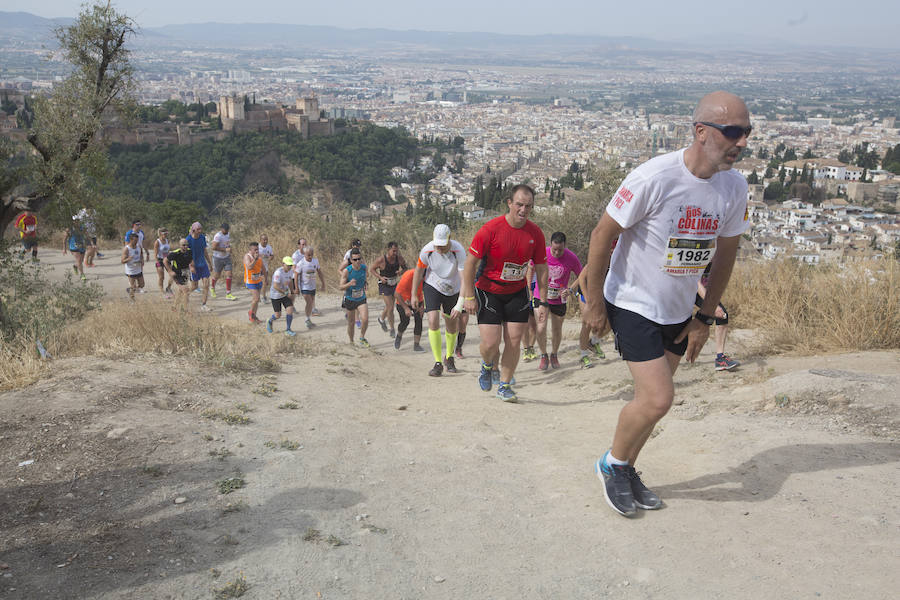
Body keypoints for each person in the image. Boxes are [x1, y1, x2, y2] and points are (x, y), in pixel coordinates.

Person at [582, 91, 751, 517]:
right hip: (632, 301)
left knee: (651, 402)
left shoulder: (734, 187)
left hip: (678, 308)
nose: (742, 142)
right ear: (701, 132)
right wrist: (595, 303)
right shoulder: (654, 177)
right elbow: (602, 235)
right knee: (659, 399)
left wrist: (705, 317)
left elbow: (726, 254)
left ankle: (626, 468)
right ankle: (611, 464)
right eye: (733, 131)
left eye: (747, 132)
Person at [461, 184, 548, 402]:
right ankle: (487, 365)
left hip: (517, 292)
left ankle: (505, 386)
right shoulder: (490, 230)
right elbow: (470, 264)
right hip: (489, 291)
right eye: (519, 204)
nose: (523, 210)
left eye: (528, 206)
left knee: (514, 341)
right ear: (509, 203)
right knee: (491, 344)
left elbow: (542, 269)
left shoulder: (535, 233)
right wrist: (469, 297)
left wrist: (542, 302)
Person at [412, 224, 467, 377]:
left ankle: (449, 357)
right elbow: (418, 271)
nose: (439, 248)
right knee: (432, 320)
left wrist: (459, 304)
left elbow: (465, 279)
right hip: (433, 285)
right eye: (437, 245)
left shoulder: (459, 251)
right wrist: (414, 294)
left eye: (442, 245)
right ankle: (437, 363)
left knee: (451, 324)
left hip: (453, 288)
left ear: (449, 239)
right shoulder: (427, 250)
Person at [533, 232, 583, 371]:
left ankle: (554, 354)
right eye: (554, 249)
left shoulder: (571, 257)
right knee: (541, 328)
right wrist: (530, 290)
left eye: (560, 250)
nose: (556, 252)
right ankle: (543, 355)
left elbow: (582, 275)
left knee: (556, 329)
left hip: (559, 299)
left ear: (564, 246)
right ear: (551, 244)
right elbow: (530, 267)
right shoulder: (542, 253)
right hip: (540, 296)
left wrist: (571, 290)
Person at [696, 263, 740, 371]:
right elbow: (695, 282)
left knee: (722, 316)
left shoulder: (716, 257)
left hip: (703, 289)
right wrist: (713, 305)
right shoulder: (700, 257)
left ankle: (720, 359)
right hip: (689, 290)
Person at [371, 241, 408, 338]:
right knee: (391, 307)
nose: (395, 253)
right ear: (388, 250)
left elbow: (405, 268)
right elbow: (372, 269)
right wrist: (380, 277)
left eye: (397, 251)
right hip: (384, 285)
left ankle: (381, 319)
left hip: (394, 284)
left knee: (389, 306)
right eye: (393, 251)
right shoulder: (381, 260)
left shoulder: (399, 258)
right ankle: (392, 329)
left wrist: (400, 272)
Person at [339, 247, 370, 347]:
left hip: (361, 298)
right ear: (351, 260)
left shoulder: (364, 268)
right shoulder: (347, 271)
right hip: (350, 299)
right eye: (355, 259)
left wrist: (365, 283)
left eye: (359, 259)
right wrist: (349, 284)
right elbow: (341, 287)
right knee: (351, 323)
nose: (357, 261)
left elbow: (365, 276)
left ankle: (362, 338)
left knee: (365, 319)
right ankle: (351, 341)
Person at [393, 268, 426, 352]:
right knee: (405, 322)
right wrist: (406, 308)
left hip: (417, 299)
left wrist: (422, 306)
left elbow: (426, 292)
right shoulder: (409, 275)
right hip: (403, 300)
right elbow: (396, 294)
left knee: (419, 320)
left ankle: (416, 345)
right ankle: (399, 335)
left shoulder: (428, 277)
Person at [293, 246, 326, 329]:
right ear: (304, 254)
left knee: (311, 303)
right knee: (309, 302)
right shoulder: (301, 263)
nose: (310, 256)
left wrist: (323, 283)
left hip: (312, 286)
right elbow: (296, 275)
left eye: (311, 254)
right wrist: (296, 287)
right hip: (304, 286)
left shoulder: (315, 261)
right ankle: (307, 319)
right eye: (308, 255)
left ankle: (308, 318)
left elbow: (319, 272)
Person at [266, 256, 297, 336]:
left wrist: (292, 292)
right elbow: (275, 286)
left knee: (290, 309)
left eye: (291, 265)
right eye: (288, 265)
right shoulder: (278, 273)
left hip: (284, 295)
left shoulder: (290, 271)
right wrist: (286, 293)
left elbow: (290, 281)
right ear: (283, 264)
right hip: (275, 296)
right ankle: (270, 321)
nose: (289, 267)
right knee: (278, 315)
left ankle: (288, 329)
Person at [187, 222, 213, 311]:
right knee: (194, 287)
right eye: (198, 229)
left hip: (203, 264)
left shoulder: (202, 237)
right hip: (194, 265)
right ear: (193, 230)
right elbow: (186, 254)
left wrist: (209, 263)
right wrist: (191, 266)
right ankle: (185, 295)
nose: (200, 231)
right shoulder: (188, 239)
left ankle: (204, 305)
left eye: (201, 229)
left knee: (206, 285)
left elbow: (204, 250)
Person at [164, 238, 194, 312]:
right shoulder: (175, 253)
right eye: (183, 245)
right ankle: (185, 310)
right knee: (186, 291)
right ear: (180, 245)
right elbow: (165, 261)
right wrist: (170, 271)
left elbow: (191, 260)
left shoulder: (189, 251)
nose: (185, 246)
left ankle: (174, 307)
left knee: (181, 291)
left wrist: (192, 267)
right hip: (176, 274)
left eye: (186, 245)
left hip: (185, 273)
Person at [210, 223, 236, 301]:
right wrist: (225, 250)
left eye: (228, 229)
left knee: (229, 274)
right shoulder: (218, 236)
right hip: (218, 258)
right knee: (217, 275)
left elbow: (227, 244)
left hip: (227, 257)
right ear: (221, 229)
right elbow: (213, 247)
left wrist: (230, 250)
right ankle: (212, 288)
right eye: (225, 229)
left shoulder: (228, 234)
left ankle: (228, 293)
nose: (227, 230)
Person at [243, 241, 266, 323]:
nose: (257, 251)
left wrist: (265, 278)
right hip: (250, 281)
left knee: (257, 299)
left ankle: (254, 316)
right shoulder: (247, 257)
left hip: (258, 280)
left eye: (257, 249)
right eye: (255, 249)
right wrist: (255, 259)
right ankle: (250, 312)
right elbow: (249, 267)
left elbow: (263, 267)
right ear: (250, 250)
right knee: (256, 298)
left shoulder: (259, 256)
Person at [521, 260, 538, 362]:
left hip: (537, 290)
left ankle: (531, 347)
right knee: (525, 324)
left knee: (534, 325)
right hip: (524, 290)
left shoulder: (541, 257)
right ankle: (526, 349)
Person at [121, 232, 144, 300]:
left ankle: (130, 289)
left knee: (142, 285)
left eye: (137, 240)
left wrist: (142, 260)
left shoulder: (139, 246)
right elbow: (122, 261)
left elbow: (141, 254)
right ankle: (132, 300)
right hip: (130, 270)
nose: (136, 242)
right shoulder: (127, 249)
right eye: (135, 240)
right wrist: (129, 258)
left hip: (138, 269)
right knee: (133, 285)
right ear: (131, 240)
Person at [153, 228, 174, 298]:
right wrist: (157, 263)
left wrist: (170, 257)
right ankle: (162, 291)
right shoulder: (157, 242)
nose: (166, 235)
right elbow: (155, 254)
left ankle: (168, 288)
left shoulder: (167, 240)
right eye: (164, 234)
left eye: (166, 234)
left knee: (173, 274)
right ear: (161, 234)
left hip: (167, 259)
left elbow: (168, 251)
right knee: (161, 277)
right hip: (159, 260)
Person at [258, 233, 275, 300]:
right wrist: (261, 256)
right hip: (257, 268)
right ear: (260, 240)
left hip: (265, 267)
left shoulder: (269, 247)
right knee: (258, 283)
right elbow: (252, 255)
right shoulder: (257, 247)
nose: (265, 241)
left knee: (264, 282)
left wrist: (271, 257)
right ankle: (257, 296)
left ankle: (263, 296)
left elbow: (272, 255)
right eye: (264, 240)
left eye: (266, 240)